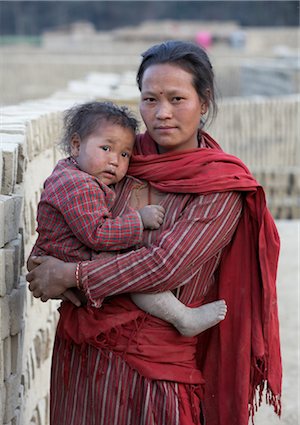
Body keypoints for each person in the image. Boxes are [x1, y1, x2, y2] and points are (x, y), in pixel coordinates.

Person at [26, 40, 282, 425]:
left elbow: (165, 266)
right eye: (150, 99)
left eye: (177, 99)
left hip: (154, 367)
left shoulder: (219, 188)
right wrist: (45, 265)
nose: (161, 113)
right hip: (83, 352)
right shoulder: (117, 158)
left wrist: (70, 274)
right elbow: (63, 218)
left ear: (204, 102)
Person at [30, 100, 227, 336]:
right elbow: (97, 234)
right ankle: (182, 317)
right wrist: (139, 220)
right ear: (76, 145)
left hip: (62, 258)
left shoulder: (72, 173)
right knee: (132, 271)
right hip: (70, 256)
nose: (115, 160)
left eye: (124, 154)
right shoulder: (78, 185)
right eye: (106, 148)